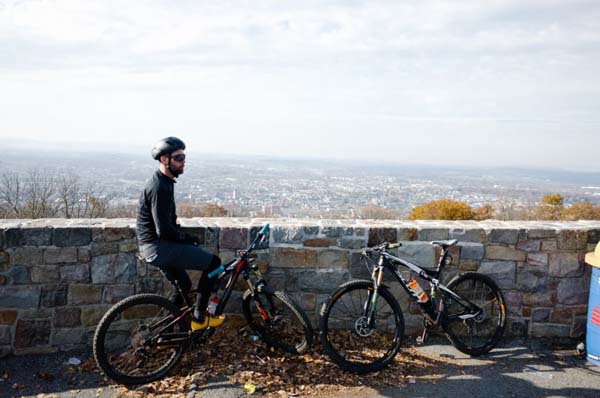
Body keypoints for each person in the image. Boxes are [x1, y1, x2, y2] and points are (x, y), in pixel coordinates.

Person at [136, 136, 224, 330]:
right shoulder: (160, 187)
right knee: (214, 264)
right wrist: (186, 239)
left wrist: (183, 239)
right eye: (179, 158)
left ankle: (164, 334)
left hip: (153, 247)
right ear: (164, 160)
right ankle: (200, 318)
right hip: (158, 247)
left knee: (183, 285)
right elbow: (164, 230)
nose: (183, 162)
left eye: (184, 157)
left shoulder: (164, 182)